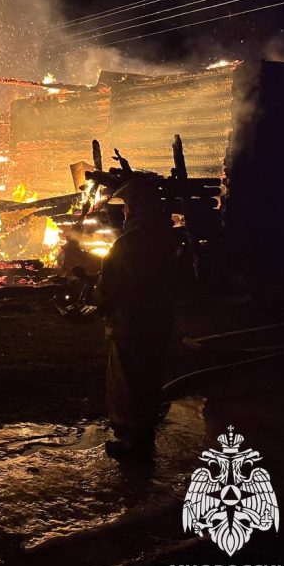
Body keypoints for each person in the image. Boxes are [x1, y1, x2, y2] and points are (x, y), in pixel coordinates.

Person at [95, 178, 177, 458]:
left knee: (129, 379)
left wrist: (99, 302)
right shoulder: (164, 236)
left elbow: (113, 283)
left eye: (128, 207)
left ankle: (133, 438)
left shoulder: (132, 241)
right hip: (157, 318)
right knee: (147, 375)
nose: (124, 213)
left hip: (132, 321)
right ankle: (141, 432)